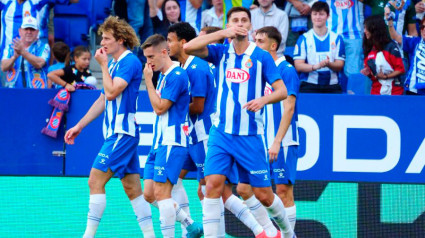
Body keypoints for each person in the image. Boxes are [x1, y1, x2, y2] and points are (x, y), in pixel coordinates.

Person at [184, 6, 295, 238]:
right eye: (235, 20)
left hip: (250, 136)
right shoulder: (220, 52)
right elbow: (187, 47)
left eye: (244, 20)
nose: (240, 23)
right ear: (229, 24)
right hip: (220, 133)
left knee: (263, 194)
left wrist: (263, 100)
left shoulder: (262, 56)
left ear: (250, 25)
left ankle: (286, 232)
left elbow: (282, 91)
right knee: (211, 186)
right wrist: (222, 34)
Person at [64, 16, 154, 238]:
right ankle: (160, 232)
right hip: (118, 134)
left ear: (120, 40)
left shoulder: (130, 62)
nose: (102, 43)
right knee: (133, 189)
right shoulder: (114, 63)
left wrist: (103, 65)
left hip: (123, 133)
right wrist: (79, 126)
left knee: (95, 180)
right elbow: (103, 99)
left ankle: (88, 236)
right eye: (101, 38)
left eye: (106, 38)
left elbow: (113, 92)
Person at [141, 34, 203, 238]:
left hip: (172, 141)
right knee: (150, 194)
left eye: (151, 57)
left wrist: (148, 82)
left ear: (164, 52)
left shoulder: (176, 75)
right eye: (146, 58)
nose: (148, 62)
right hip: (158, 143)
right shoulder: (165, 76)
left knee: (162, 194)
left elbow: (160, 108)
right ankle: (189, 224)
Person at [255, 26, 300, 230]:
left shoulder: (286, 70)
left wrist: (277, 141)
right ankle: (274, 232)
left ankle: (287, 235)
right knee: (256, 190)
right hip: (261, 140)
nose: (256, 45)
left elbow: (289, 108)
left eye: (260, 41)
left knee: (283, 191)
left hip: (281, 140)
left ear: (273, 45)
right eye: (254, 40)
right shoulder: (262, 71)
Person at [293, 1, 345, 93]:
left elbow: (340, 65)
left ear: (328, 16)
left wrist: (328, 64)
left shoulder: (337, 38)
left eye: (321, 14)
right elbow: (298, 65)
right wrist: (316, 67)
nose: (317, 17)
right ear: (311, 16)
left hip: (332, 85)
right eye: (315, 14)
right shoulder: (304, 38)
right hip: (309, 85)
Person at [319, 0, 363, 89]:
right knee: (328, 68)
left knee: (354, 72)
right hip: (332, 32)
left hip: (354, 34)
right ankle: (329, 99)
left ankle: (354, 100)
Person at [361, 15, 405, 95]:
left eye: (366, 28)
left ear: (374, 28)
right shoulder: (369, 49)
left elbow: (400, 69)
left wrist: (386, 76)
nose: (364, 31)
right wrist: (369, 73)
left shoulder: (391, 47)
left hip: (394, 92)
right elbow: (374, 76)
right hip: (376, 92)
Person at [1, 16, 50, 88]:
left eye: (32, 29)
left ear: (37, 32)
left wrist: (23, 52)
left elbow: (39, 63)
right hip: (13, 92)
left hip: (36, 92)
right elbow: (3, 67)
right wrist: (14, 57)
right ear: (20, 31)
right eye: (26, 29)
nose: (29, 32)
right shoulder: (11, 47)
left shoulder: (44, 47)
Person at [388, 6, 425, 95]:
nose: (424, 30)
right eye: (422, 27)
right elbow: (395, 37)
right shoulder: (415, 41)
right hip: (413, 90)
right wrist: (390, 21)